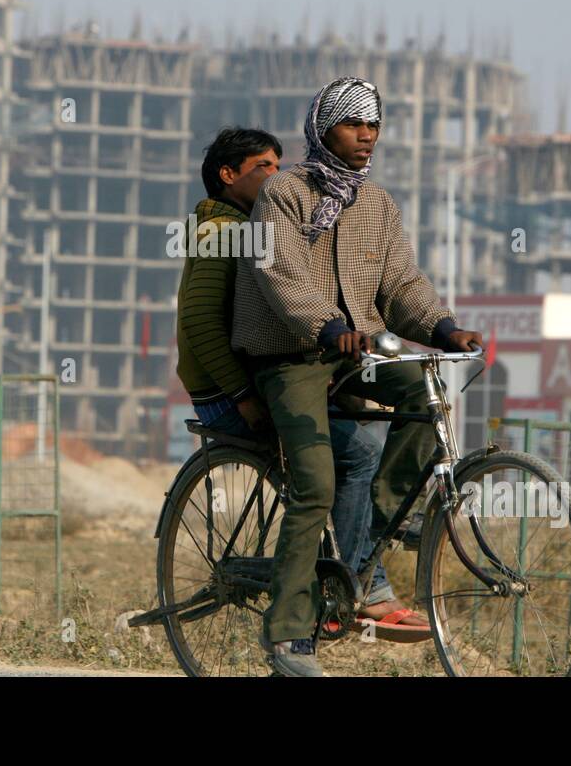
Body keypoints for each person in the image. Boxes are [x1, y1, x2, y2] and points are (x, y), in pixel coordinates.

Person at [233, 76, 482, 676]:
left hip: (356, 355)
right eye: (353, 124)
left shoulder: (376, 205)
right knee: (315, 482)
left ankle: (364, 555)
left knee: (426, 394)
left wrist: (445, 326)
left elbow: (400, 284)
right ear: (324, 130)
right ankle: (290, 637)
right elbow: (279, 274)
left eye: (373, 126)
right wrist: (324, 326)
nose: (366, 136)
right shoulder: (283, 195)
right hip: (290, 357)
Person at [173, 126, 405, 623]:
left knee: (367, 429)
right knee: (358, 451)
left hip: (257, 381)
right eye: (263, 168)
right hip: (228, 392)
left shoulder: (264, 226)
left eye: (280, 166)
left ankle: (355, 571)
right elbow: (200, 321)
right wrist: (241, 394)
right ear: (227, 175)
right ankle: (355, 579)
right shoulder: (224, 231)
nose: (276, 177)